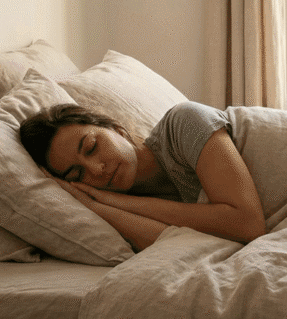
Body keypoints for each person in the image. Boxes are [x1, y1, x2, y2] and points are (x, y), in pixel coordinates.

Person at [19, 102, 266, 251]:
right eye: (77, 174)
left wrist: (119, 202)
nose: (96, 170)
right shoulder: (127, 214)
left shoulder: (183, 122)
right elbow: (173, 244)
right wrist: (94, 205)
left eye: (92, 146)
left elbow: (247, 224)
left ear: (114, 128)